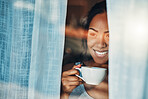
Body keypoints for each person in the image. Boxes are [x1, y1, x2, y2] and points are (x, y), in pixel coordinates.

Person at [61, 1, 109, 99]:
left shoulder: (128, 79)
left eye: (109, 36)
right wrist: (65, 93)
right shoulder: (69, 72)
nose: (100, 44)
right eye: (93, 34)